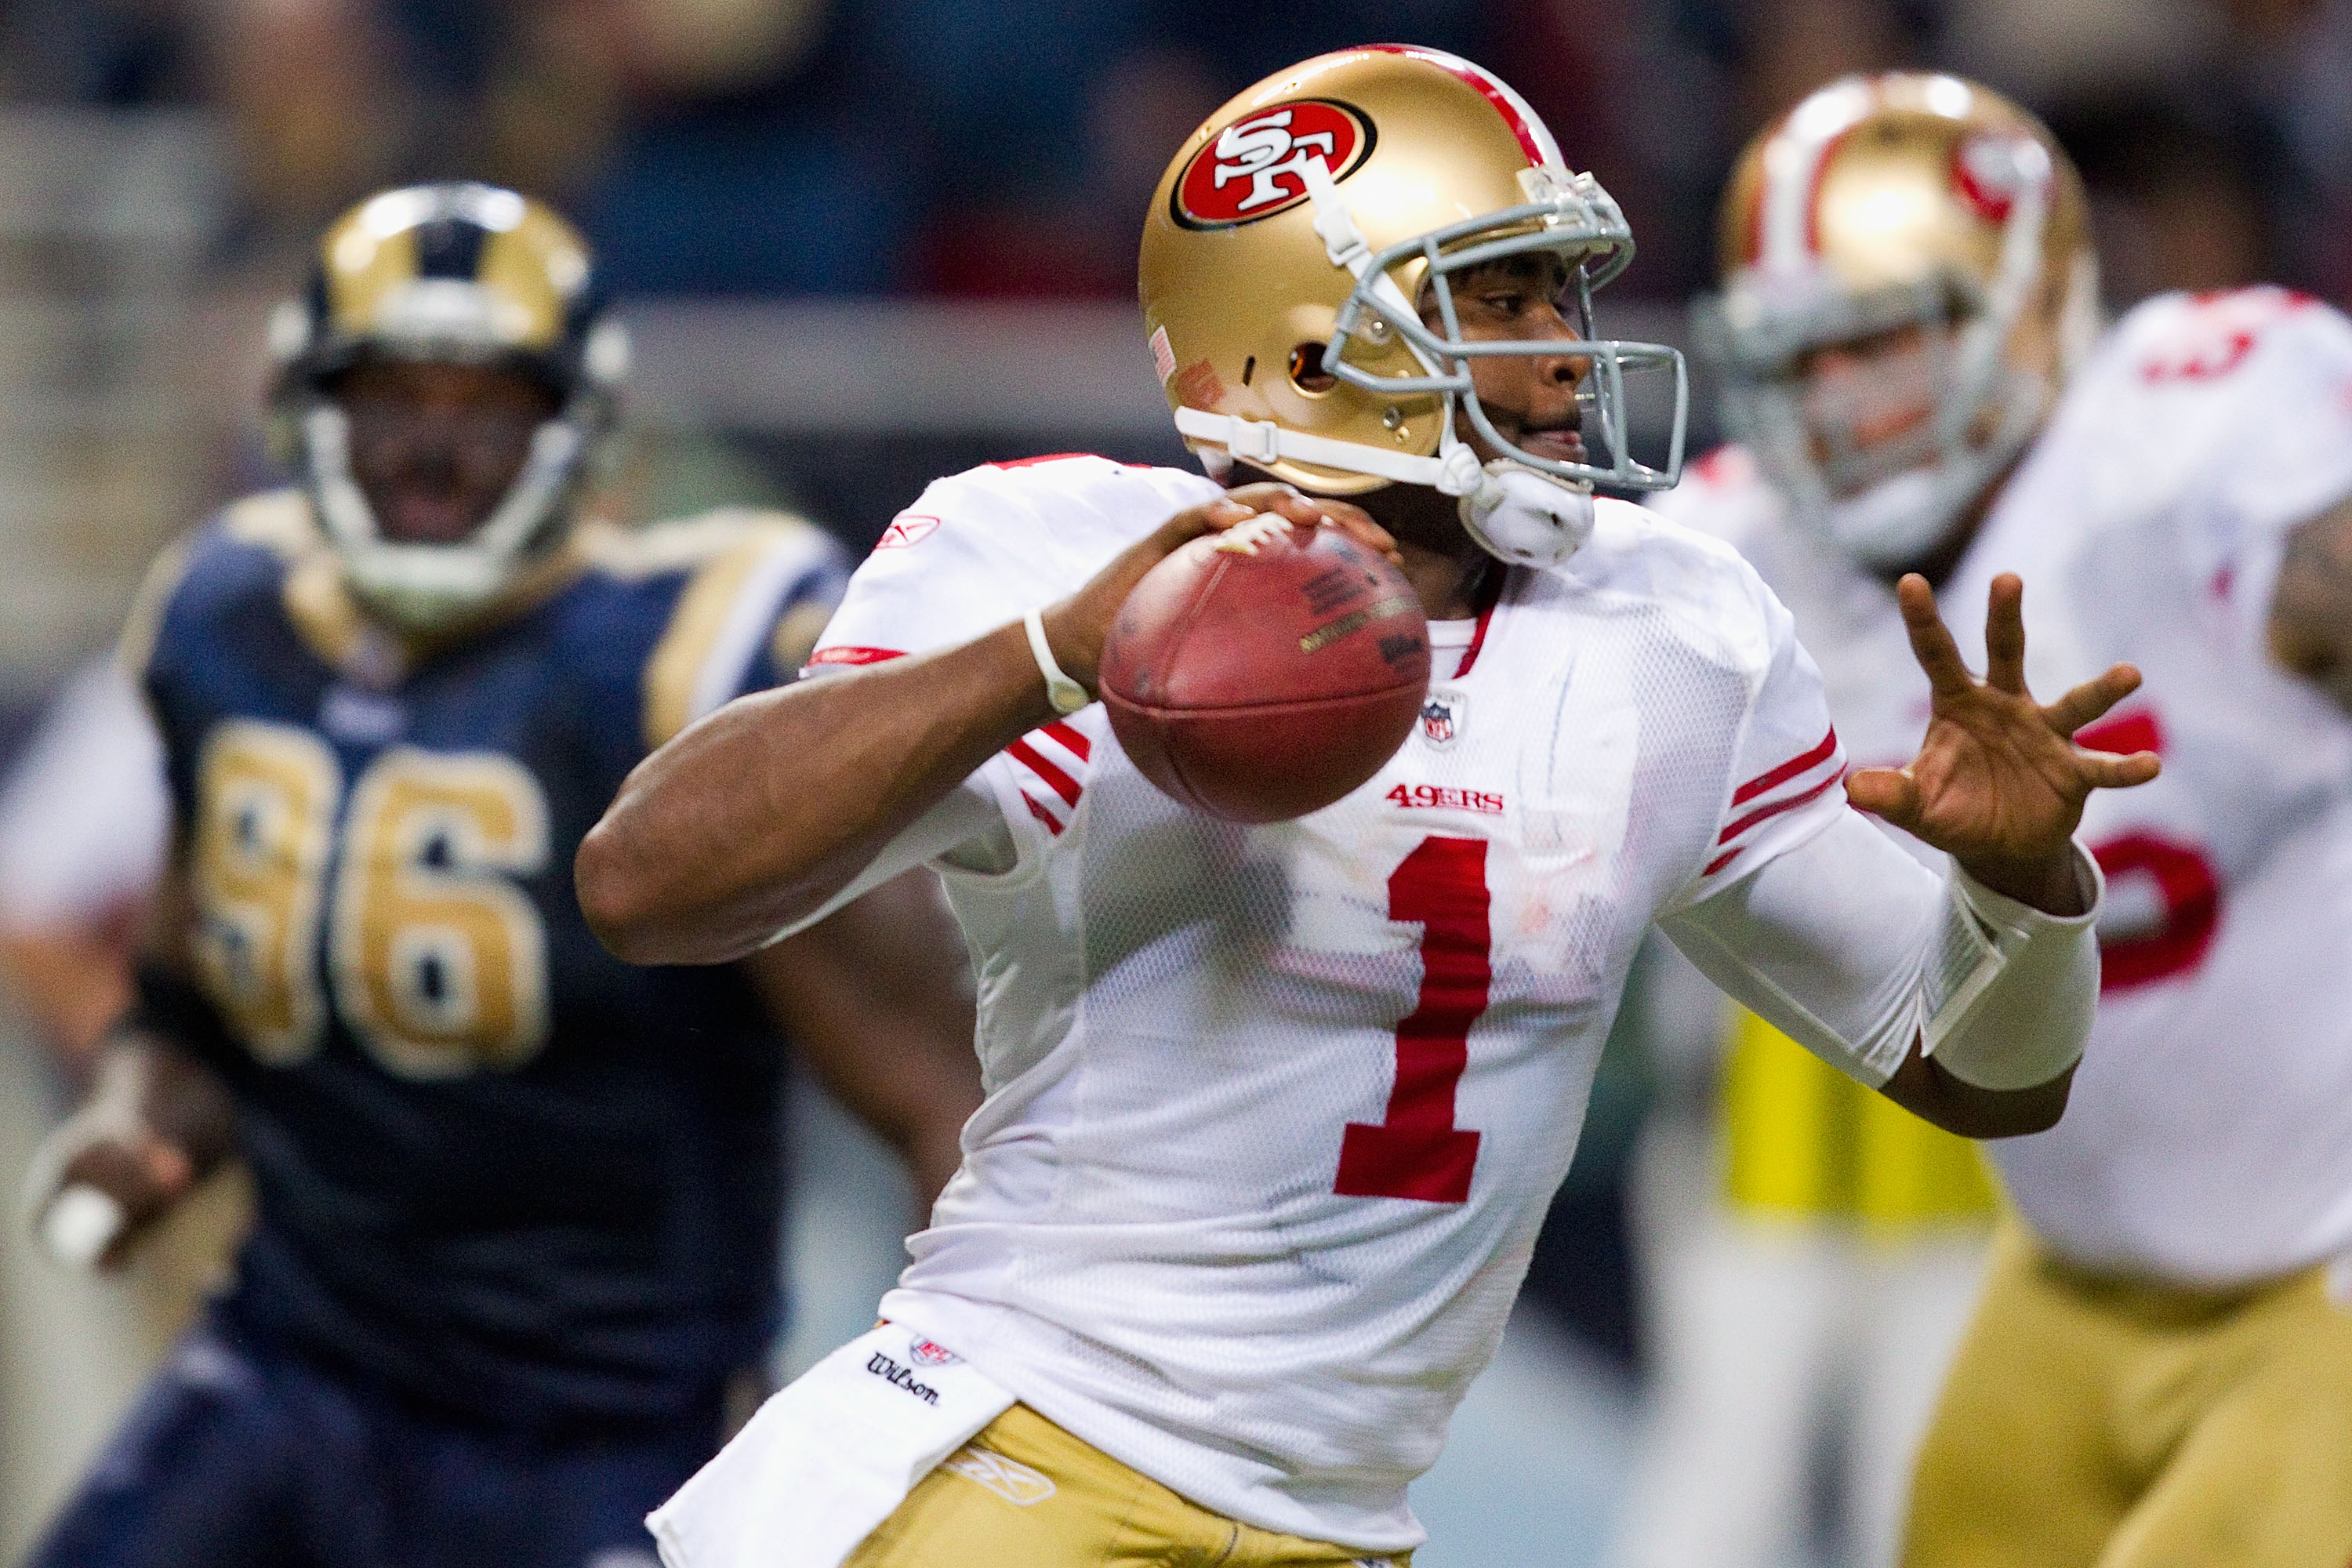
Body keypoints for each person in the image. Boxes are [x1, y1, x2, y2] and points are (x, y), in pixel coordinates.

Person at [577, 47, 2152, 1568]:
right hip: (1021, 1449)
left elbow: (1980, 1074)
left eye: (1565, 293)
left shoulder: (1675, 624)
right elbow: (648, 884)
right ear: (1308, 338)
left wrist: (2026, 890)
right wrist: (1047, 656)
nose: (1562, 353)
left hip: (1338, 1524)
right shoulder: (1063, 555)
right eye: (1500, 294)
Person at [17, 182, 982, 1568]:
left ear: (579, 425)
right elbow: (185, 1006)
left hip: (605, 1434)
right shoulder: (224, 616)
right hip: (291, 1375)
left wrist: (901, 1433)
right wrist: (135, 1113)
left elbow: (941, 1102)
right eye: (386, 396)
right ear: (304, 409)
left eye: (486, 403)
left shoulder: (686, 663)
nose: (429, 449)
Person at [1672, 71, 2352, 1567]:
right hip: (2063, 1274)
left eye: (1876, 345)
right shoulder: (1740, 554)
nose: (1835, 407)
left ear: (2029, 308)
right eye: (1800, 363)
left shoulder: (2192, 434)